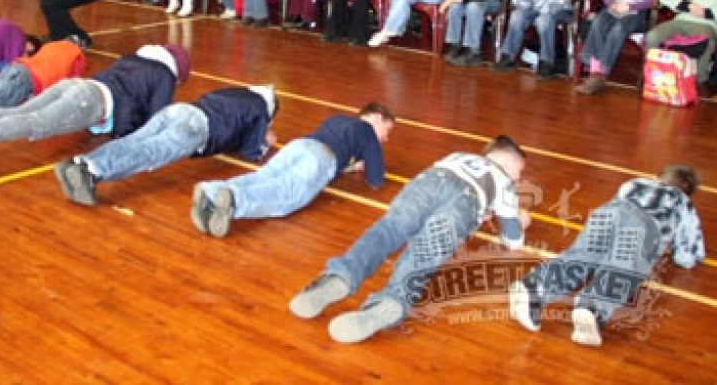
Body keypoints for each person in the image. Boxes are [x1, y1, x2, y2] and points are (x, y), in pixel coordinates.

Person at [289, 136, 530, 344]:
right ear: (508, 161)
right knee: (423, 254)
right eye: (520, 172)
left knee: (388, 229)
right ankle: (392, 301)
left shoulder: (459, 155)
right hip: (466, 203)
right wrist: (519, 221)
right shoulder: (504, 183)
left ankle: (340, 276)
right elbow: (513, 240)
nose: (518, 179)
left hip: (430, 181)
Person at [509, 165, 704, 347]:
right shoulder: (683, 203)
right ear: (687, 191)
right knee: (623, 269)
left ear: (657, 177)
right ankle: (592, 306)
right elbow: (688, 255)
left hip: (608, 212)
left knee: (582, 255)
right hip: (644, 226)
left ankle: (536, 286)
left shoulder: (635, 183)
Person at [0, 44, 190, 180]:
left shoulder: (133, 59)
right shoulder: (165, 75)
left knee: (18, 112)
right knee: (34, 123)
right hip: (89, 101)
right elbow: (157, 121)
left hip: (76, 86)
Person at [191, 102, 395, 238]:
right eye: (387, 130)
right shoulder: (368, 132)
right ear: (377, 117)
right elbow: (376, 179)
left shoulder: (339, 119)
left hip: (300, 145)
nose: (386, 139)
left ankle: (212, 190)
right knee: (285, 195)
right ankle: (235, 200)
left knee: (263, 176)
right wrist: (367, 160)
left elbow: (337, 143)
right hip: (321, 158)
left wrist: (350, 165)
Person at [53, 84, 278, 207]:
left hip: (180, 110)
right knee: (149, 152)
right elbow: (250, 152)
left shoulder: (237, 92)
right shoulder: (260, 109)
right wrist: (264, 143)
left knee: (134, 141)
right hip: (196, 129)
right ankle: (92, 171)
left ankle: (81, 163)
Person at [644, 0, 717, 88]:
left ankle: (697, 81)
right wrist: (687, 5)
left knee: (707, 41)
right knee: (652, 36)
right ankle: (652, 75)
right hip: (681, 20)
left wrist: (706, 12)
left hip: (706, 24)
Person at [494, 0, 573, 78]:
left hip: (558, 9)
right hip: (535, 8)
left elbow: (547, 9)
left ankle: (546, 62)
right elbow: (519, 4)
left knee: (543, 20)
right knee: (517, 16)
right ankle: (508, 56)